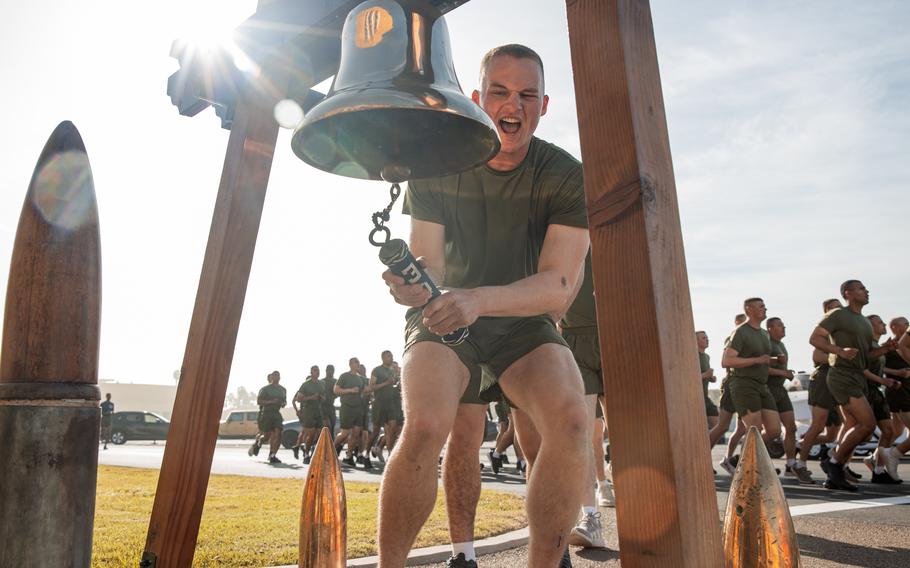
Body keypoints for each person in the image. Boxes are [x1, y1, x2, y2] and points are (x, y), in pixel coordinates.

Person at [378, 44, 590, 568]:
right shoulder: (436, 166)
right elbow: (430, 264)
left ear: (544, 105)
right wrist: (411, 285)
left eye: (526, 95)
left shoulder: (565, 175)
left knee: (570, 419)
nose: (512, 105)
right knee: (426, 427)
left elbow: (558, 287)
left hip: (519, 321)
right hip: (446, 315)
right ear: (477, 99)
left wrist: (480, 299)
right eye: (499, 92)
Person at [808, 280, 895, 491]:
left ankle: (835, 472)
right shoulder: (837, 314)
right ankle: (834, 463)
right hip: (841, 375)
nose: (867, 291)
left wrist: (884, 349)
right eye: (861, 288)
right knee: (868, 423)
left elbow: (866, 356)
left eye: (865, 288)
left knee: (863, 431)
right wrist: (838, 351)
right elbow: (814, 338)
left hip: (857, 376)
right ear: (848, 293)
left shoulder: (864, 322)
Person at [564, 253, 612, 550]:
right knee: (582, 432)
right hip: (573, 339)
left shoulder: (612, 228)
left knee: (626, 430)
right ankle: (591, 517)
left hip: (616, 334)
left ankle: (643, 508)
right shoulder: (557, 227)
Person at [721, 298, 781, 451]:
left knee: (774, 430)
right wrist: (757, 360)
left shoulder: (764, 333)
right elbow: (727, 361)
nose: (765, 309)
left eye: (765, 306)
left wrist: (773, 361)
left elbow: (759, 360)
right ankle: (747, 467)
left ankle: (743, 459)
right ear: (749, 310)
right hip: (743, 384)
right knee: (754, 429)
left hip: (761, 385)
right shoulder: (741, 331)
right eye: (761, 307)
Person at [795, 298, 843, 484]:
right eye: (833, 308)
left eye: (840, 308)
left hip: (839, 382)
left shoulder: (842, 333)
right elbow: (817, 355)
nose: (838, 311)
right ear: (826, 312)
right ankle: (800, 464)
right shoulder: (824, 330)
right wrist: (841, 354)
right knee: (818, 425)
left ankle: (833, 458)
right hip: (823, 380)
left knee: (834, 433)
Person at [861, 315, 902, 483]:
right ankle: (836, 460)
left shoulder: (879, 346)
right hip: (865, 390)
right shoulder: (866, 345)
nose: (883, 324)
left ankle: (878, 470)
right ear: (869, 326)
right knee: (863, 433)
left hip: (877, 391)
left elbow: (880, 367)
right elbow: (861, 367)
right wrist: (885, 380)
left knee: (889, 431)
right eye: (879, 322)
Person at [766, 318, 803, 482]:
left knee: (791, 427)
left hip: (781, 390)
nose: (784, 327)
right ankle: (748, 453)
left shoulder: (781, 345)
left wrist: (786, 373)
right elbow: (761, 367)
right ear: (770, 328)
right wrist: (783, 373)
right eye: (780, 325)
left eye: (783, 325)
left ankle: (790, 463)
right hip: (768, 390)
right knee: (772, 430)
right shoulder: (766, 343)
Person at [708, 313, 747, 474]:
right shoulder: (734, 337)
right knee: (723, 426)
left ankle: (728, 459)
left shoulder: (750, 337)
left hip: (746, 385)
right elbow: (727, 362)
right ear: (737, 323)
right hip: (733, 384)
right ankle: (701, 457)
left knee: (741, 429)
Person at [884, 316, 910, 479]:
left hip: (908, 391)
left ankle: (874, 459)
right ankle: (894, 454)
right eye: (905, 324)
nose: (907, 326)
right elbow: (877, 367)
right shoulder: (887, 347)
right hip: (898, 391)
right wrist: (897, 373)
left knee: (895, 431)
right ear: (894, 327)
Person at [333, 357, 368, 468]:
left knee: (356, 433)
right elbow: (336, 390)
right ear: (350, 364)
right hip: (347, 408)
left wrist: (367, 390)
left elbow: (366, 389)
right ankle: (330, 450)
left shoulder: (361, 379)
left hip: (358, 409)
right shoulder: (344, 376)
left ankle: (348, 457)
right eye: (356, 362)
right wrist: (350, 390)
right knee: (345, 433)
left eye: (359, 362)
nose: (358, 364)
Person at [368, 351, 399, 463]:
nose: (391, 358)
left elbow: (394, 385)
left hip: (390, 404)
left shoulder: (392, 371)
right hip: (379, 403)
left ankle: (390, 454)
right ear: (383, 358)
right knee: (376, 431)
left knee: (393, 427)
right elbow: (371, 388)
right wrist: (386, 383)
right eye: (389, 356)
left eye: (392, 356)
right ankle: (367, 453)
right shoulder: (377, 370)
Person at [249, 371, 287, 464]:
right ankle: (258, 443)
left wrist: (282, 403)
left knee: (278, 433)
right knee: (267, 436)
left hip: (276, 413)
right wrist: (271, 402)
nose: (276, 377)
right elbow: (259, 401)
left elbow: (284, 402)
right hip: (266, 413)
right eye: (274, 375)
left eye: (278, 375)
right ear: (271, 377)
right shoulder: (265, 389)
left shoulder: (283, 389)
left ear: (280, 377)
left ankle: (272, 455)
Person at [293, 365, 324, 464]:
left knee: (319, 434)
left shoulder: (321, 384)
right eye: (315, 370)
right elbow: (298, 399)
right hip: (308, 412)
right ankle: (306, 454)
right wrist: (310, 397)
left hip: (318, 411)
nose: (317, 372)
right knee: (309, 434)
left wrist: (321, 398)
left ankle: (307, 449)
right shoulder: (305, 384)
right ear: (311, 372)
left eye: (318, 370)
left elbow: (324, 397)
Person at [697, 331, 719, 429]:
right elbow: (688, 378)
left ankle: (707, 444)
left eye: (707, 338)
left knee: (718, 425)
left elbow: (704, 375)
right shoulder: (691, 356)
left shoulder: (707, 357)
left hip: (704, 397)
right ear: (695, 341)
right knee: (700, 427)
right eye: (703, 338)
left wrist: (711, 378)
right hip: (694, 398)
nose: (707, 340)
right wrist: (705, 375)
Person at [321, 364, 338, 435]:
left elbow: (338, 393)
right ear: (326, 371)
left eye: (332, 370)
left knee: (332, 427)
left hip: (331, 406)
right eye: (329, 370)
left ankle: (330, 444)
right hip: (322, 407)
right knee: (327, 426)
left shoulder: (336, 381)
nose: (330, 372)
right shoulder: (321, 382)